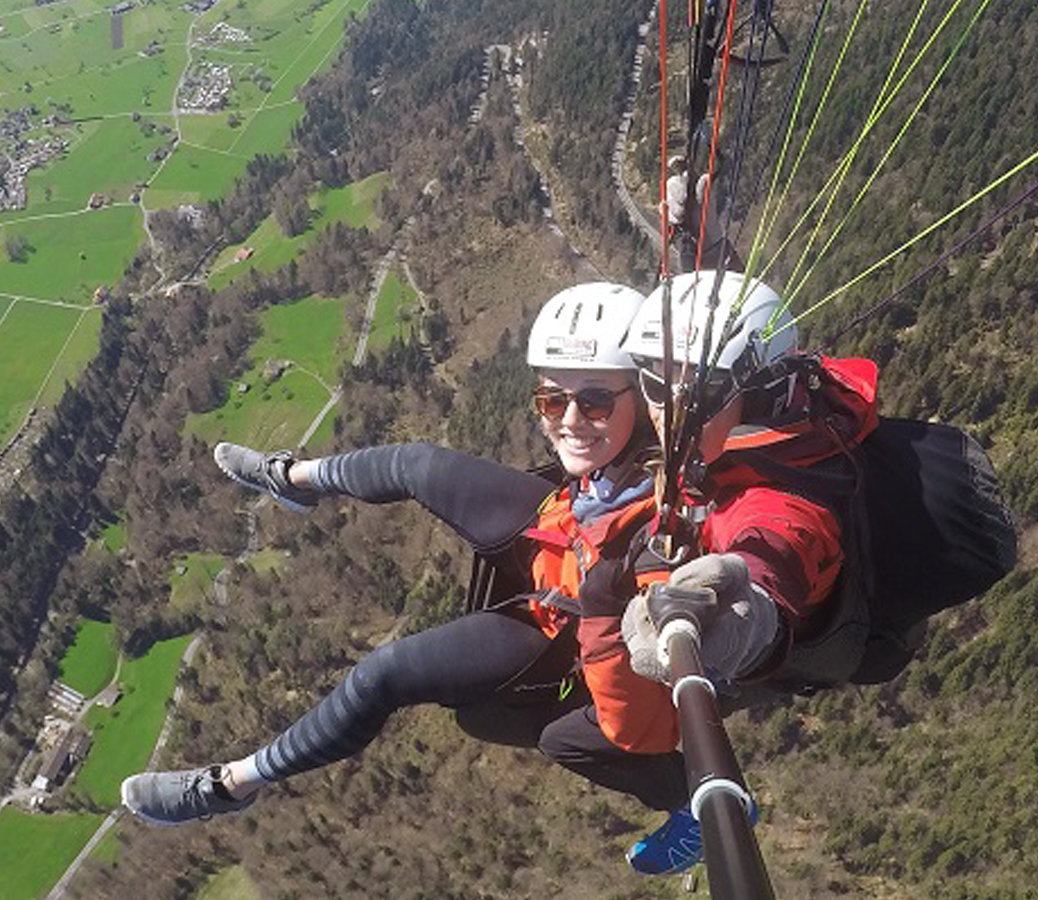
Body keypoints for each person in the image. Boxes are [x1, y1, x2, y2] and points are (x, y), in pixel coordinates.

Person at [121, 282, 687, 839]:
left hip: (560, 627)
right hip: (560, 528)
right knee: (415, 463)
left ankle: (230, 786)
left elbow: (646, 713)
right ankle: (291, 478)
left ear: (647, 399)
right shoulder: (623, 454)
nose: (567, 420)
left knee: (381, 675)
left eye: (593, 400)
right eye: (551, 399)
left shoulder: (666, 532)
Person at [535, 269, 879, 874]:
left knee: (563, 737)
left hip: (765, 650)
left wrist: (738, 605)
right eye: (653, 383)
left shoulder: (779, 492)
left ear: (756, 387)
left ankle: (692, 809)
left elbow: (772, 549)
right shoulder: (750, 422)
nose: (669, 411)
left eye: (698, 390)